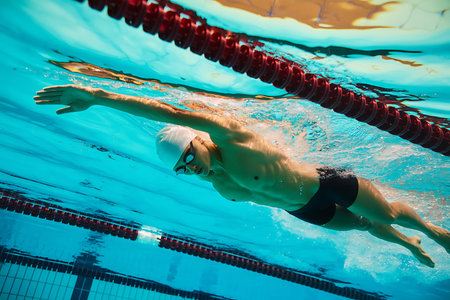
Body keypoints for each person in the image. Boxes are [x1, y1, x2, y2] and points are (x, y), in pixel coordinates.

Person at [34, 84, 449, 268]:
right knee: (363, 227)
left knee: (387, 214)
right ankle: (408, 245)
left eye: (188, 155)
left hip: (327, 182)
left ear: (198, 140)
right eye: (183, 168)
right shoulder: (217, 182)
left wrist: (100, 98)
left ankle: (429, 231)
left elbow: (169, 112)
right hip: (304, 211)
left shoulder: (231, 139)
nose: (191, 167)